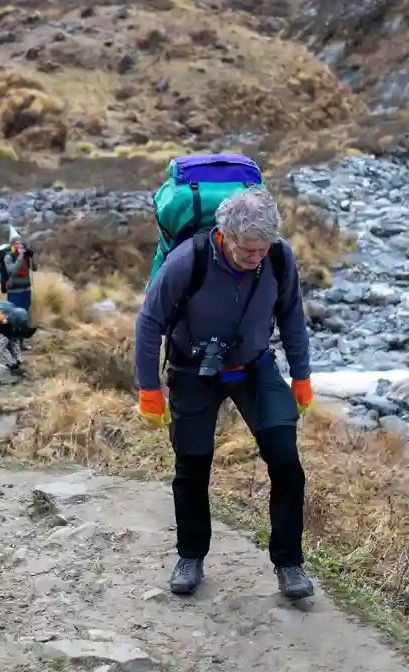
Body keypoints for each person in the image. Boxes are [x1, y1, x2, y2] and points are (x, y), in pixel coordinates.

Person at [134, 187, 316, 600]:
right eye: (247, 249)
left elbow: (290, 317)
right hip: (192, 370)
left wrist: (301, 377)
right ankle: (191, 556)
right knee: (193, 463)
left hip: (254, 367)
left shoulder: (278, 257)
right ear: (225, 236)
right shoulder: (189, 261)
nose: (255, 257)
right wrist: (149, 388)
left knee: (286, 460)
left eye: (261, 249)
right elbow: (149, 322)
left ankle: (289, 564)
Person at [0, 300, 34, 384]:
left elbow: (15, 340)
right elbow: (1, 346)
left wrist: (18, 361)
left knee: (10, 339)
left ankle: (11, 365)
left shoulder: (17, 313)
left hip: (0, 324)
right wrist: (12, 363)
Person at [0, 229, 37, 315]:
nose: (18, 245)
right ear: (12, 245)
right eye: (16, 243)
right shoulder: (8, 257)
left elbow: (34, 268)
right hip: (15, 291)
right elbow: (12, 270)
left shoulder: (25, 256)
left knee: (25, 314)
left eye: (20, 243)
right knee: (14, 314)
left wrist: (30, 258)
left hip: (26, 290)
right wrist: (20, 257)